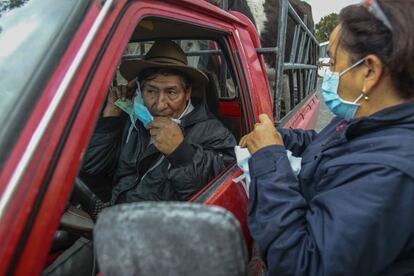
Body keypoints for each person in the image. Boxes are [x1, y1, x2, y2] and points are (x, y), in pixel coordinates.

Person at [240, 0, 414, 275]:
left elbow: (304, 264)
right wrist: (280, 138)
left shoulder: (389, 171)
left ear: (369, 71)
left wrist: (269, 160)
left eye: (333, 62)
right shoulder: (366, 120)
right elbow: (324, 143)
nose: (328, 74)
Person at [81, 39, 236, 204]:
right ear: (140, 90)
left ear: (187, 92)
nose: (160, 104)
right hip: (111, 213)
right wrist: (111, 117)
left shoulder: (215, 134)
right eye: (151, 91)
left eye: (171, 92)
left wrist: (181, 152)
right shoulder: (133, 120)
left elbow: (217, 198)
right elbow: (91, 169)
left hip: (159, 224)